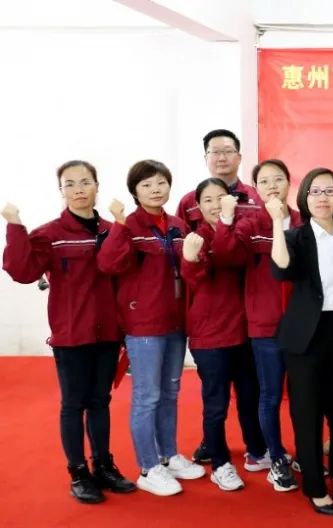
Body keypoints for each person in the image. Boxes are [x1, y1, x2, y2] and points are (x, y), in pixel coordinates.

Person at [2, 161, 136, 503]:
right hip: (71, 335)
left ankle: (103, 466)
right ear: (61, 190)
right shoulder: (51, 233)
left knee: (100, 401)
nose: (78, 189)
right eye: (70, 183)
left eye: (85, 182)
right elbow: (22, 271)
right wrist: (14, 225)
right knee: (74, 404)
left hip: (108, 333)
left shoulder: (112, 229)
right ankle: (78, 472)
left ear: (97, 186)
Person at [98, 160, 205, 496]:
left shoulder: (177, 225)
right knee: (147, 396)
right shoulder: (129, 225)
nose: (155, 189)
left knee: (170, 392)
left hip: (176, 322)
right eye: (146, 185)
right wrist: (118, 225)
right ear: (134, 191)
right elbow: (108, 264)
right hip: (143, 324)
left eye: (161, 182)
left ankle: (168, 455)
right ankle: (148, 467)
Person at [269, 168, 333, 516]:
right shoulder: (296, 237)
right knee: (307, 414)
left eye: (329, 191)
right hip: (306, 337)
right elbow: (281, 269)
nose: (323, 198)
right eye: (315, 191)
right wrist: (276, 223)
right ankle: (314, 485)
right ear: (305, 197)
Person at [213, 160, 301, 492]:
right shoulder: (250, 223)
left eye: (278, 179)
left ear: (289, 182)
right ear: (256, 188)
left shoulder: (303, 220)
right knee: (270, 395)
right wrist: (225, 219)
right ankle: (275, 457)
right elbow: (225, 255)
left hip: (303, 325)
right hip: (265, 326)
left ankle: (304, 453)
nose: (272, 185)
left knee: (304, 396)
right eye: (264, 181)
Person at [179, 178, 263, 492]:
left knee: (250, 397)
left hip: (242, 331)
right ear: (198, 206)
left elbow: (233, 257)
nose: (216, 205)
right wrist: (189, 259)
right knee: (216, 404)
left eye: (221, 198)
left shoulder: (239, 231)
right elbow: (194, 279)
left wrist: (227, 223)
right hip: (210, 336)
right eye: (208, 200)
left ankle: (257, 450)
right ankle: (219, 463)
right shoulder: (196, 237)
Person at [175, 129, 261, 230]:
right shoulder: (189, 202)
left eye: (228, 151)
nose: (222, 158)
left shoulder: (257, 197)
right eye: (215, 152)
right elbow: (179, 237)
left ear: (239, 158)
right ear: (206, 158)